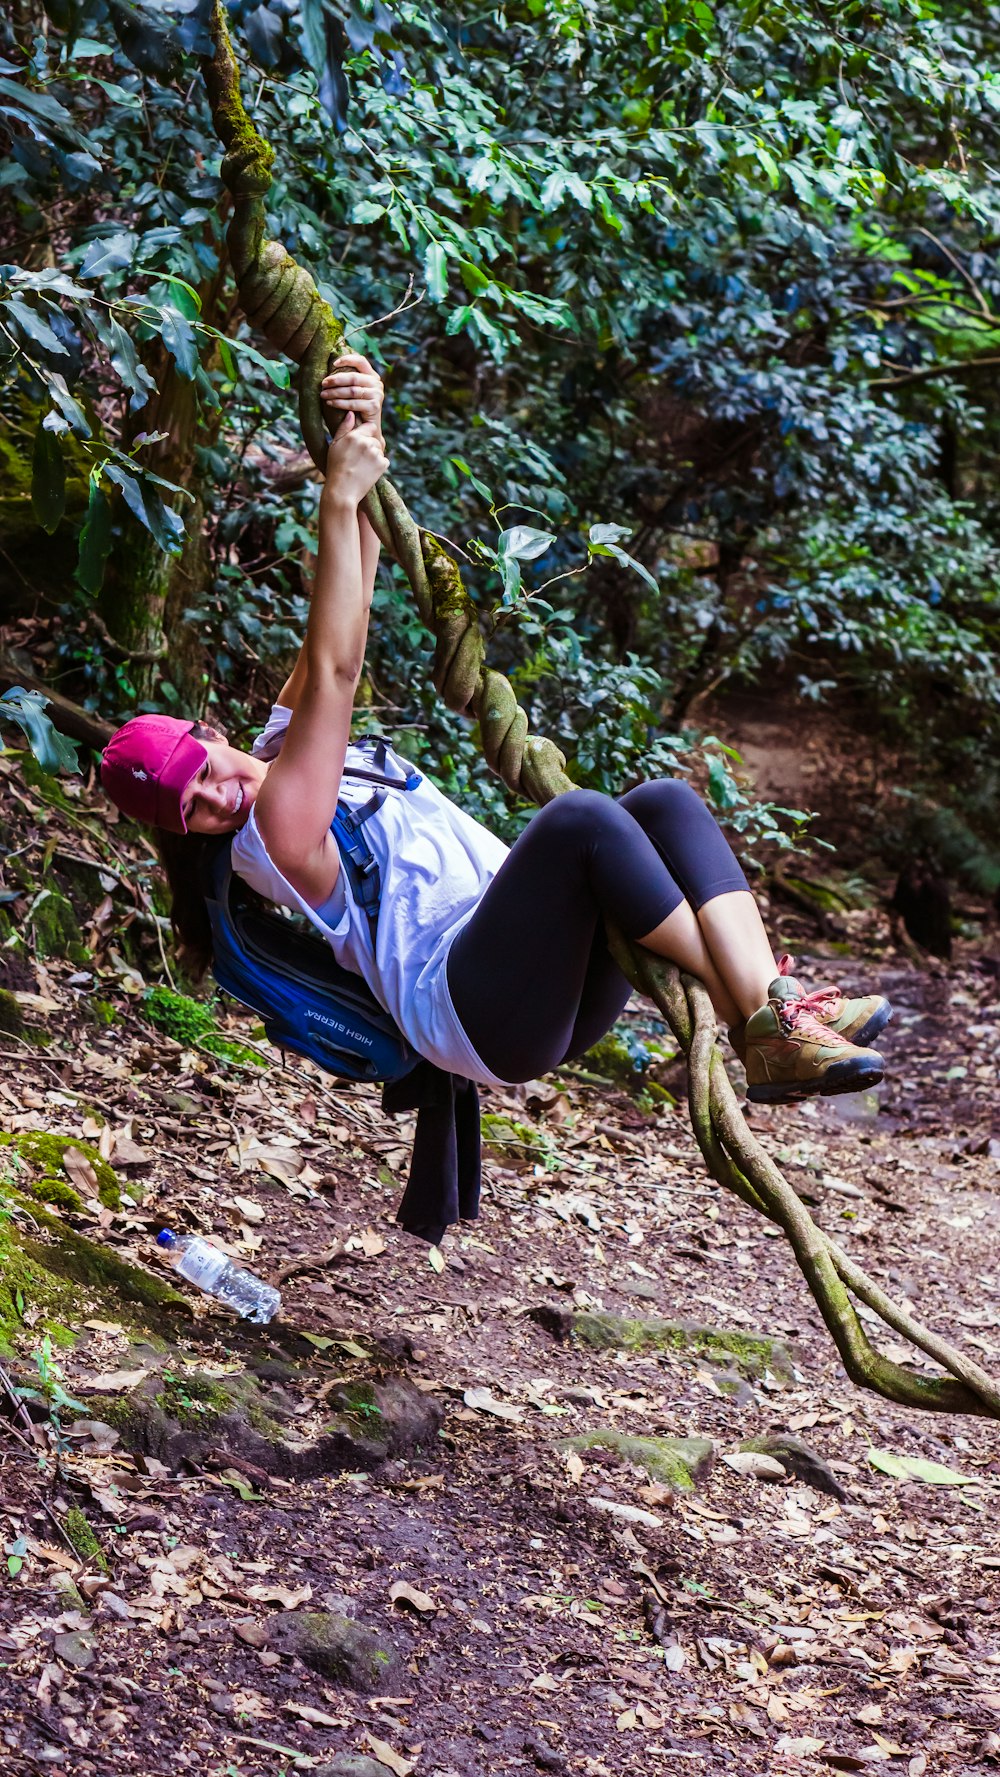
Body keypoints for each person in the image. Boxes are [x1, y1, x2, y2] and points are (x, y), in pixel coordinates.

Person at [101, 353, 891, 1124]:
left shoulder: (279, 744)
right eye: (191, 810)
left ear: (207, 732)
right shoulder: (271, 839)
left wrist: (364, 434)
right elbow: (337, 673)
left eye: (198, 772)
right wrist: (334, 504)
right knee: (581, 822)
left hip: (541, 976)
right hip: (480, 1009)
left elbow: (350, 615)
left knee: (665, 802)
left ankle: (773, 1019)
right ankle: (768, 1016)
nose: (213, 797)